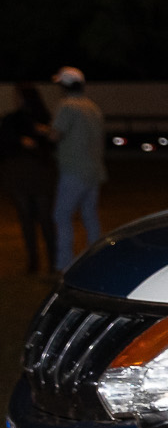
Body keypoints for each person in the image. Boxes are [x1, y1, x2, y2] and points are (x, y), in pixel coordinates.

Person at [49, 68, 104, 273]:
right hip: (94, 169)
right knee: (90, 215)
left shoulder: (67, 106)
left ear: (65, 85)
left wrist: (43, 131)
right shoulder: (92, 107)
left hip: (74, 169)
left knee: (61, 215)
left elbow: (55, 135)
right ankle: (96, 260)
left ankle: (64, 264)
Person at [1, 85, 56, 275]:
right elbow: (4, 143)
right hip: (19, 173)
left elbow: (52, 142)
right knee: (26, 218)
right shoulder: (11, 119)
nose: (16, 99)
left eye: (19, 96)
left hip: (39, 173)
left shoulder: (44, 118)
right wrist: (19, 141)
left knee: (44, 217)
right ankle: (33, 261)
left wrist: (42, 135)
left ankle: (53, 260)